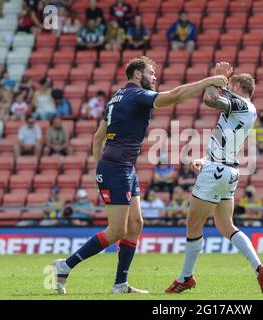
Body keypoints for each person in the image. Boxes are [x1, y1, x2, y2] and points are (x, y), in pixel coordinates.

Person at [51, 56, 228, 295]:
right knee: (117, 230)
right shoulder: (136, 96)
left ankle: (120, 284)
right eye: (151, 72)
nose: (154, 77)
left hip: (120, 167)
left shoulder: (117, 98)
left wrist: (98, 169)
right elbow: (175, 95)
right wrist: (208, 80)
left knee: (136, 224)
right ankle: (64, 266)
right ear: (137, 74)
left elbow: (97, 137)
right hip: (116, 168)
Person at [166, 62, 263, 294]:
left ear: (236, 86)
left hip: (217, 171)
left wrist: (217, 77)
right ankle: (259, 267)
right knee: (226, 226)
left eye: (229, 85)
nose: (226, 87)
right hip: (229, 169)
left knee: (193, 224)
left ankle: (185, 277)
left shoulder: (239, 102)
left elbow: (210, 99)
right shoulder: (248, 109)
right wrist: (206, 159)